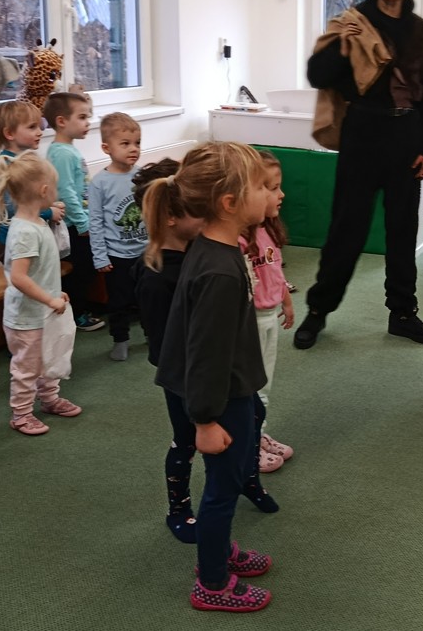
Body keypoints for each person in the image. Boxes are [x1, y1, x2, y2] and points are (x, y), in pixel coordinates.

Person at [293, 0, 423, 349]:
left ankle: (403, 313)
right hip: (362, 133)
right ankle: (318, 311)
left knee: (402, 232)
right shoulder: (353, 21)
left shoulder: (419, 31)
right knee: (347, 230)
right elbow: (317, 76)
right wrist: (343, 44)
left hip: (406, 135)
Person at [154, 142, 275, 612]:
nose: (269, 194)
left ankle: (218, 549)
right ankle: (212, 582)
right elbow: (206, 354)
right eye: (260, 187)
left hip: (221, 388)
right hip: (217, 397)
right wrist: (204, 421)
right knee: (223, 489)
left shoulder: (213, 247)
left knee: (229, 478)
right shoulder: (220, 270)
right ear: (229, 203)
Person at [134, 158, 204, 544]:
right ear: (171, 218)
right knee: (186, 440)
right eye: (197, 210)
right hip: (182, 376)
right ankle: (178, 509)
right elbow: (162, 347)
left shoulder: (197, 252)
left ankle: (245, 479)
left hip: (207, 366)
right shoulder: (156, 277)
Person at [0, 152, 83, 436]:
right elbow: (19, 277)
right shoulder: (25, 231)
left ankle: (49, 399)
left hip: (42, 312)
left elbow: (40, 271)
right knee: (27, 367)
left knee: (47, 357)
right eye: (55, 186)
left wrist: (55, 293)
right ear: (44, 190)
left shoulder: (38, 223)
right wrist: (49, 299)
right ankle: (21, 414)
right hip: (26, 317)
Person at [240, 151, 294, 473]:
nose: (281, 194)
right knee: (252, 387)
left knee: (264, 385)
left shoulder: (267, 229)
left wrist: (285, 298)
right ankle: (249, 445)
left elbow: (274, 270)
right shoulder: (238, 238)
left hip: (269, 316)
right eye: (273, 188)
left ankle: (257, 434)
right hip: (251, 323)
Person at [89, 112, 147, 361]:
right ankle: (120, 339)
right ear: (107, 148)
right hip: (117, 255)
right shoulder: (100, 183)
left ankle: (152, 334)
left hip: (145, 252)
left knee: (148, 297)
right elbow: (95, 222)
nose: (133, 149)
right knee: (119, 302)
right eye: (125, 143)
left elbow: (151, 211)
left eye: (137, 143)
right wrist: (100, 257)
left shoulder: (142, 176)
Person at [44, 92, 103, 332]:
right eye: (82, 117)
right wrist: (82, 223)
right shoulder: (62, 153)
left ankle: (77, 310)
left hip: (76, 222)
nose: (87, 122)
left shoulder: (65, 150)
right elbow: (66, 192)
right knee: (80, 270)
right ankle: (76, 314)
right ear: (61, 121)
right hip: (72, 226)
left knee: (84, 269)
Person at [0, 100, 64, 264]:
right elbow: (14, 211)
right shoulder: (7, 165)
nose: (40, 132)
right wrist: (48, 212)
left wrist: (49, 203)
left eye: (39, 126)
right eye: (32, 127)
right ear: (10, 133)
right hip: (15, 240)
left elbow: (32, 197)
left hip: (31, 235)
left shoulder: (28, 160)